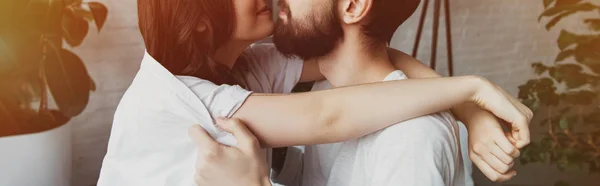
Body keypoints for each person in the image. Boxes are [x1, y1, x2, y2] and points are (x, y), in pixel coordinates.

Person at [97, 0, 532, 185]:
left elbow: (365, 60)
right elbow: (327, 112)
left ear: (352, 6)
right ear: (199, 19)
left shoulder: (411, 142)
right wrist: (471, 92)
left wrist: (468, 104)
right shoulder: (185, 98)